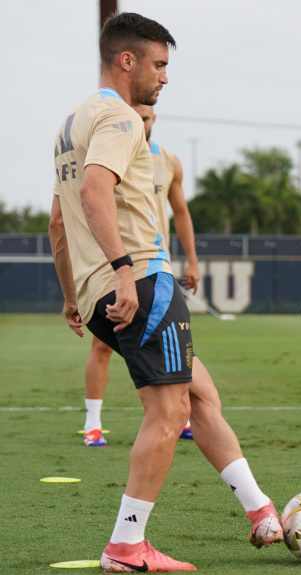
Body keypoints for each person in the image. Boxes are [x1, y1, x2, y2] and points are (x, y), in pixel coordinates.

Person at [49, 12, 282, 572]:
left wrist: (71, 294)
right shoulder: (122, 118)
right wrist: (126, 270)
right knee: (169, 408)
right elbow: (94, 189)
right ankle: (127, 546)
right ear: (126, 61)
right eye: (158, 64)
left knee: (199, 397)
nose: (165, 78)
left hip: (98, 290)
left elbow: (59, 221)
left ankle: (263, 514)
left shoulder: (70, 122)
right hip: (142, 281)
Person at [80, 102, 200, 447]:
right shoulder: (107, 149)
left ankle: (184, 415)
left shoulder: (168, 160)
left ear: (153, 119)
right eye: (137, 116)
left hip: (156, 266)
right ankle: (93, 424)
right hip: (115, 267)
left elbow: (181, 212)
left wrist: (192, 261)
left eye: (146, 118)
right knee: (102, 346)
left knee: (178, 341)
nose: (141, 122)